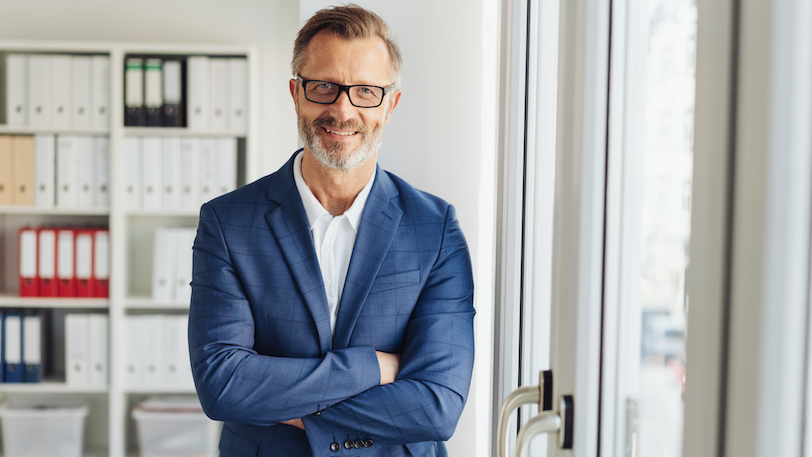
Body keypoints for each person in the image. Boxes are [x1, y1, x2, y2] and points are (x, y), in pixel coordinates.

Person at [188, 4, 475, 456]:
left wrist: (286, 398)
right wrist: (375, 368)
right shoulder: (227, 223)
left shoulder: (434, 228)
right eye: (323, 87)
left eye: (365, 90)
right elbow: (223, 386)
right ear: (296, 93)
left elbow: (438, 406)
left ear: (390, 104)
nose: (342, 110)